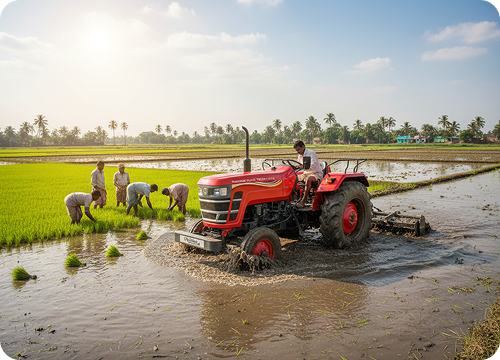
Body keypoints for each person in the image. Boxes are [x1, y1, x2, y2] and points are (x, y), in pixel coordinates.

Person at [293, 140, 324, 208]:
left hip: (315, 173)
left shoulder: (311, 153)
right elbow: (301, 166)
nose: (298, 152)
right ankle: (294, 197)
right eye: (296, 150)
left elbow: (313, 165)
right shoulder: (300, 155)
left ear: (303, 147)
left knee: (308, 180)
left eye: (298, 149)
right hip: (306, 173)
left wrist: (303, 167)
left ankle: (303, 202)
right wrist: (296, 167)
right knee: (293, 177)